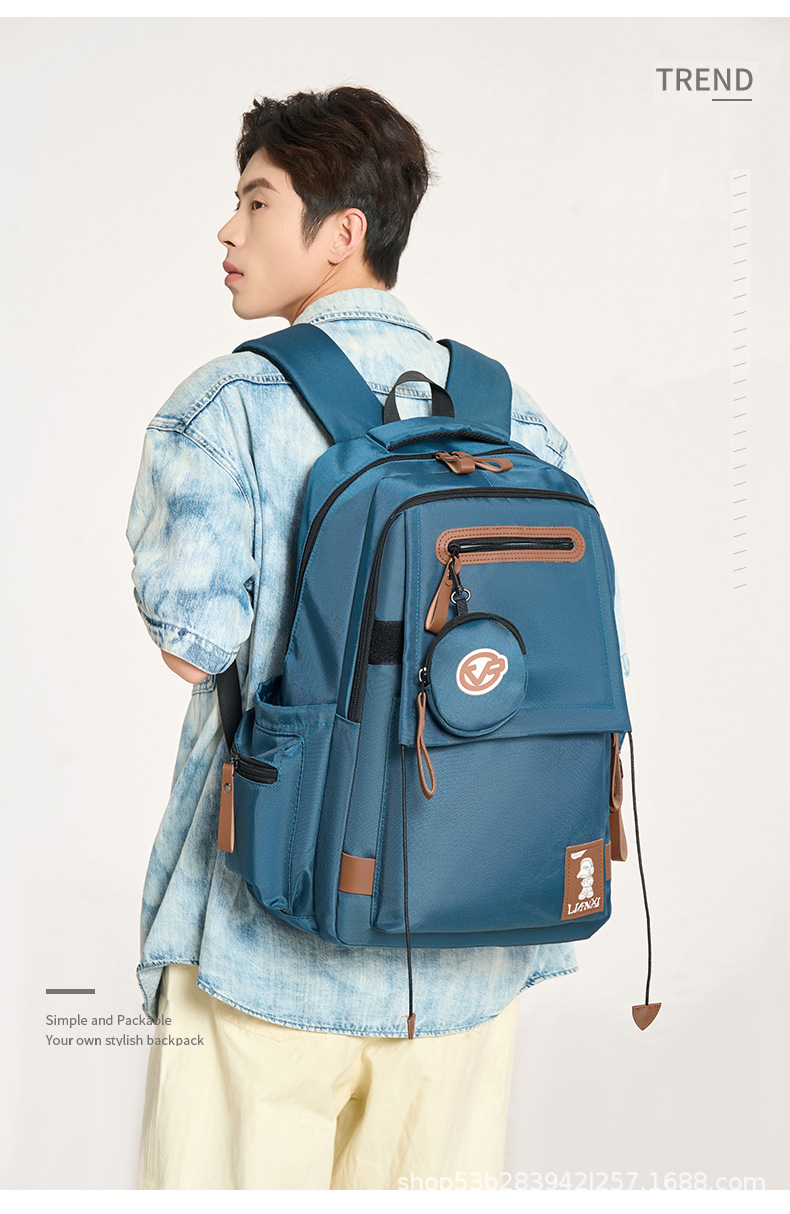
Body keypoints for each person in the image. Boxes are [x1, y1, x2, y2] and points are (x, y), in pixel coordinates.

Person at [126, 85, 628, 1191]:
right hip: (475, 935)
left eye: (257, 201)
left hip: (270, 928)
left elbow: (193, 642)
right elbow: (587, 666)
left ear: (342, 231)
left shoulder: (225, 407)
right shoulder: (515, 419)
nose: (227, 229)